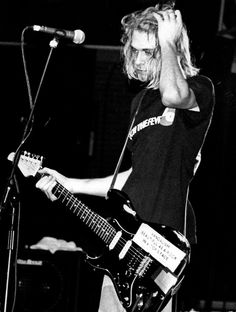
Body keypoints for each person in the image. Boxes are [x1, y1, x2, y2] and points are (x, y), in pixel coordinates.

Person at [35, 2, 215, 312]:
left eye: (150, 51)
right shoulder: (140, 102)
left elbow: (173, 95)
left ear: (169, 47)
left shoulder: (200, 89)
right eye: (135, 50)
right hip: (124, 244)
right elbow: (132, 175)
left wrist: (169, 42)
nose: (140, 59)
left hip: (163, 244)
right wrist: (69, 183)